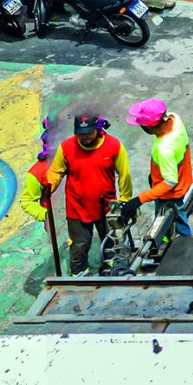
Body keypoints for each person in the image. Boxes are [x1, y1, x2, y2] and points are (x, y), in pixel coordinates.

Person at [28, 112, 132, 275]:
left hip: (105, 206)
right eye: (81, 134)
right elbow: (56, 171)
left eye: (89, 133)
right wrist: (51, 183)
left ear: (98, 128)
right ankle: (80, 274)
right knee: (79, 245)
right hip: (77, 207)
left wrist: (125, 200)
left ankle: (110, 269)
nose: (85, 138)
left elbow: (124, 175)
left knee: (109, 240)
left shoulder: (114, 146)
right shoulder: (67, 147)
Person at [128, 98, 193, 232]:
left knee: (170, 226)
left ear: (150, 127)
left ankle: (186, 247)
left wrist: (140, 199)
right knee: (174, 224)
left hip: (170, 196)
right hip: (184, 182)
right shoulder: (175, 119)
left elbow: (170, 181)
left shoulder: (165, 148)